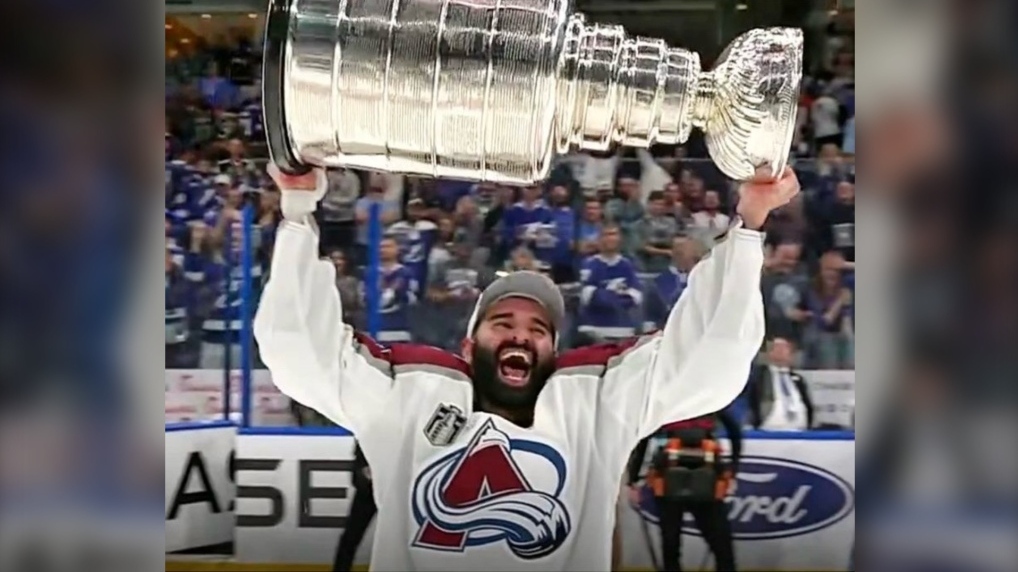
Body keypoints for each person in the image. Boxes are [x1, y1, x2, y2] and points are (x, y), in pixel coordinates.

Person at [255, 165, 799, 571]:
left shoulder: (594, 401)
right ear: (469, 347)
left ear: (553, 351)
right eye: (503, 323)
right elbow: (297, 351)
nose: (521, 334)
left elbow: (712, 360)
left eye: (539, 330)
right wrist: (299, 212)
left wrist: (749, 222)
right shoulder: (411, 396)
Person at [627, 411, 743, 572]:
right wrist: (634, 480)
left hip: (703, 480)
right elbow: (644, 438)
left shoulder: (711, 402)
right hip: (672, 479)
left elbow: (735, 430)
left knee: (719, 544)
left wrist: (634, 479)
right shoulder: (678, 402)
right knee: (673, 544)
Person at [745, 337, 815, 431]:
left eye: (784, 347)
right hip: (768, 433)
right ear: (769, 352)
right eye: (777, 347)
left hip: (799, 433)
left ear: (791, 353)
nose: (780, 351)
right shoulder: (759, 377)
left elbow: (808, 405)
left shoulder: (798, 380)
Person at [333, 442, 376, 572]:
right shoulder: (370, 426)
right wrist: (363, 468)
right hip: (368, 488)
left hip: (395, 489)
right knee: (351, 537)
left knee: (401, 537)